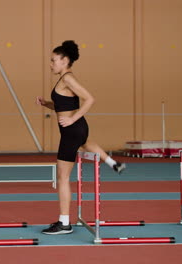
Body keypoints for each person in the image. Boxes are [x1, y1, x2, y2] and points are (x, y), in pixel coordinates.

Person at [36, 40, 126, 235]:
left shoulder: (68, 78)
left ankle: (64, 223)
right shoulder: (63, 79)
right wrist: (46, 104)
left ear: (64, 60)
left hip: (72, 129)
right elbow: (63, 105)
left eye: (53, 60)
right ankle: (112, 163)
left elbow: (90, 99)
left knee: (62, 177)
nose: (51, 64)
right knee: (86, 144)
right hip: (78, 129)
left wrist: (72, 119)